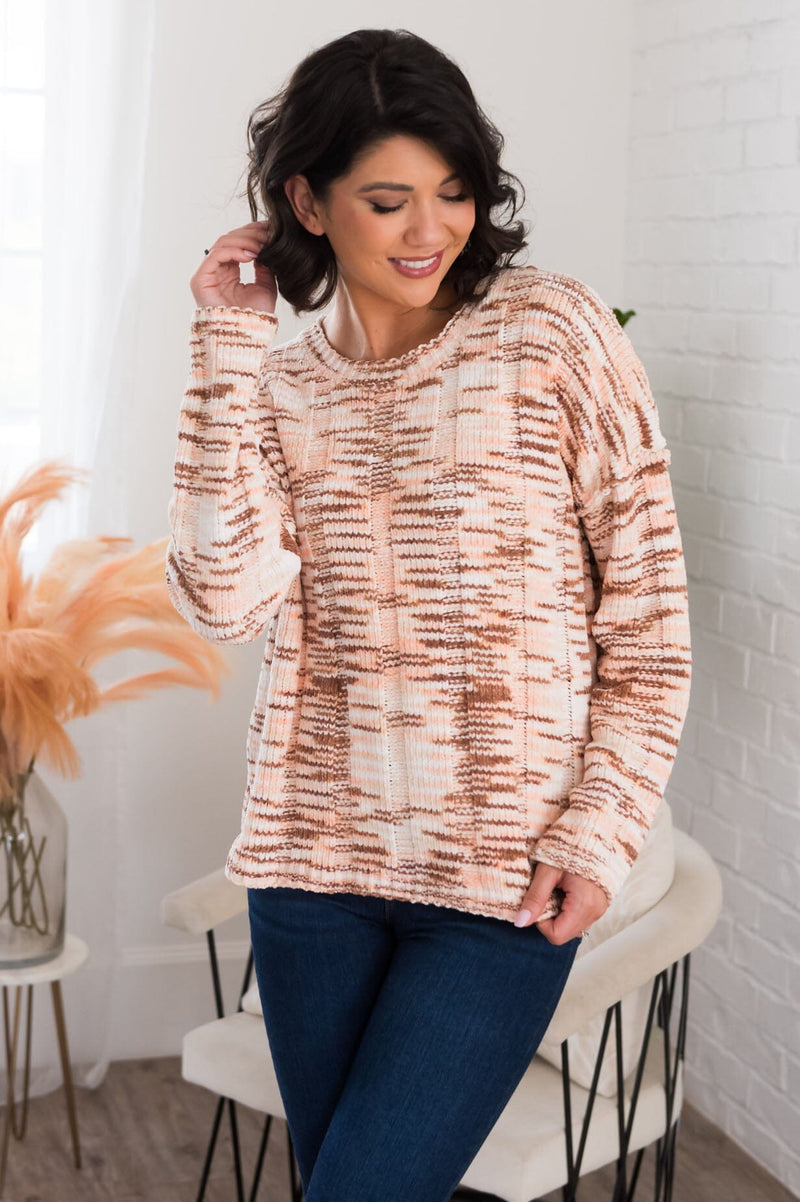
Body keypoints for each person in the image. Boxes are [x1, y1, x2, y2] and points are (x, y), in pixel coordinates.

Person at [165, 27, 692, 1202]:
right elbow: (222, 596)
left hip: (501, 884)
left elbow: (649, 622)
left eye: (452, 192)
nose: (428, 230)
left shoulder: (552, 332)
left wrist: (598, 829)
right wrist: (225, 346)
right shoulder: (278, 387)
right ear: (307, 201)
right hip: (311, 872)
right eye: (386, 199)